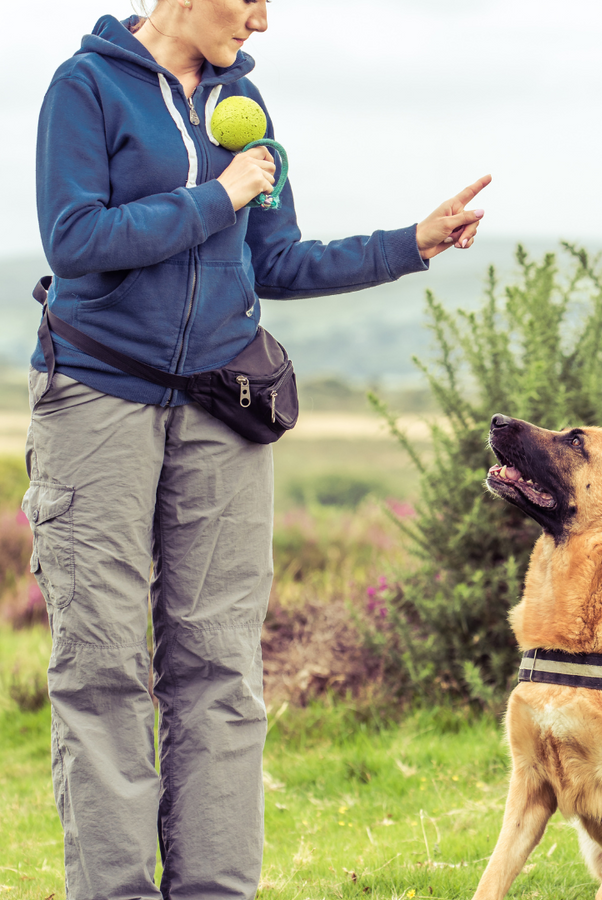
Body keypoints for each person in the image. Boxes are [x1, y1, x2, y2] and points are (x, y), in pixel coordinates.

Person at [25, 2, 490, 898]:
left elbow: (276, 262)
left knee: (222, 670)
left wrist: (411, 243)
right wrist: (219, 196)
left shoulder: (246, 104)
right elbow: (76, 242)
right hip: (96, 403)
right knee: (105, 669)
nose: (265, 21)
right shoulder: (85, 87)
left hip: (218, 412)